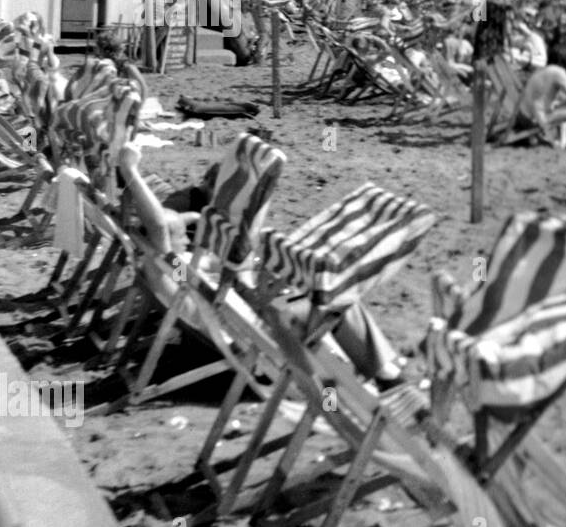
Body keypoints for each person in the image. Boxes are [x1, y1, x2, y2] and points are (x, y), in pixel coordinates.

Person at [116, 141, 411, 390]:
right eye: (179, 233)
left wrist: (193, 222)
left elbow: (176, 236)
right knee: (334, 303)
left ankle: (373, 371)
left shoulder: (169, 269)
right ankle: (376, 381)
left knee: (311, 294)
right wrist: (130, 169)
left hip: (248, 323)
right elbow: (158, 225)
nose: (184, 235)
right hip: (261, 342)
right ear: (166, 240)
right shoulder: (169, 269)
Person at [518, 64, 566, 149]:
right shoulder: (560, 73)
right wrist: (559, 104)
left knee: (559, 103)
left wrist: (558, 104)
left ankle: (559, 140)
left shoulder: (542, 71)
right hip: (536, 119)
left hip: (523, 115)